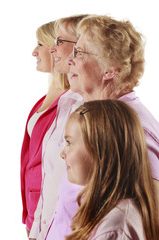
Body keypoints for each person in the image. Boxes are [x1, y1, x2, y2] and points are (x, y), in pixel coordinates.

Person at [45, 14, 159, 239]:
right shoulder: (89, 114)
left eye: (79, 53)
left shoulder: (133, 129)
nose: (69, 60)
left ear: (109, 70)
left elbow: (149, 216)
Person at [61, 100, 159, 240]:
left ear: (100, 151)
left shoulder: (116, 227)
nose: (62, 154)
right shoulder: (113, 214)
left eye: (69, 143)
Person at [29, 15, 88, 240]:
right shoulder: (65, 102)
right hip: (44, 219)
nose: (52, 50)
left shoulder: (87, 109)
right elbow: (47, 170)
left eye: (58, 42)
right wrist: (36, 224)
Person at [20, 21, 69, 237]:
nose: (34, 52)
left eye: (40, 44)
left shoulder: (70, 102)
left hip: (52, 214)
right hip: (34, 209)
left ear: (53, 48)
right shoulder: (44, 99)